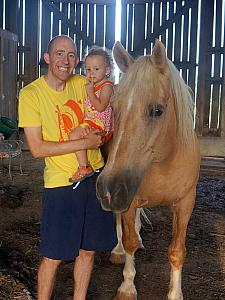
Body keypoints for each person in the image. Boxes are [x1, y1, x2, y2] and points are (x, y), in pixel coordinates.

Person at [18, 35, 117, 300]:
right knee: (53, 256)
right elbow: (37, 149)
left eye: (72, 55)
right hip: (63, 182)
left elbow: (108, 100)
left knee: (88, 251)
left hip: (95, 177)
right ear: (47, 58)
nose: (66, 60)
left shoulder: (83, 83)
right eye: (60, 54)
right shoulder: (31, 94)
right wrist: (84, 141)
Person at [69, 46, 114, 183]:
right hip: (91, 122)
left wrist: (89, 92)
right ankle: (86, 166)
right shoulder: (93, 85)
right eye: (88, 70)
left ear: (107, 70)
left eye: (96, 69)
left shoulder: (106, 86)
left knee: (75, 136)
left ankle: (84, 167)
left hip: (100, 124)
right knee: (74, 135)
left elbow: (100, 107)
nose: (91, 73)